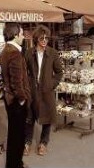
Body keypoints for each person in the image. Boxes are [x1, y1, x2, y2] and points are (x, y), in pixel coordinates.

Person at [24, 25, 63, 156]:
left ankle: (43, 143)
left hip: (47, 92)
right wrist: (27, 85)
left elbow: (59, 73)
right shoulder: (29, 53)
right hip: (32, 92)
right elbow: (24, 71)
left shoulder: (53, 53)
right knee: (29, 118)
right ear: (36, 38)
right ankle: (27, 143)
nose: (45, 40)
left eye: (47, 38)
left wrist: (51, 84)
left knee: (47, 119)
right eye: (42, 38)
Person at [0, 23, 31, 168]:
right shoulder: (14, 53)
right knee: (17, 135)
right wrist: (23, 99)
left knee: (14, 134)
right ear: (16, 35)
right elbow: (16, 81)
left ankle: (14, 163)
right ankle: (16, 165)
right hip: (16, 101)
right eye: (22, 34)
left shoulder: (6, 50)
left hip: (10, 99)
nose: (24, 37)